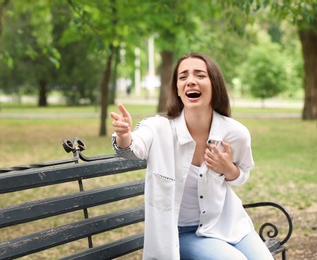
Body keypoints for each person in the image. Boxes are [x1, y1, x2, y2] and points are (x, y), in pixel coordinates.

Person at [110, 53, 273, 260]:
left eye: (200, 75)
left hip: (229, 224)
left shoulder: (235, 133)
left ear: (214, 84)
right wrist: (124, 135)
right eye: (183, 76)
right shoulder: (158, 127)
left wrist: (229, 170)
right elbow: (131, 148)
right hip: (183, 233)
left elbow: (243, 174)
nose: (190, 81)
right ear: (177, 89)